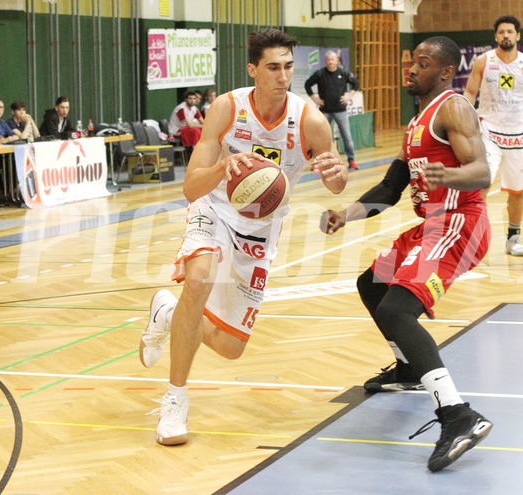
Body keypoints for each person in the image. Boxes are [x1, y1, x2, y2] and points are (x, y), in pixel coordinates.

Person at [139, 28, 347, 447]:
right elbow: (191, 187)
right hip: (213, 208)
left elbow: (336, 184)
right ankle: (175, 402)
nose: (282, 75)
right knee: (196, 282)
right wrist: (225, 166)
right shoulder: (226, 108)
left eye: (288, 67)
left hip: (261, 229)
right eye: (272, 67)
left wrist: (337, 177)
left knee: (231, 347)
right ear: (253, 69)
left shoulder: (310, 120)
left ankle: (165, 315)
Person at [320, 36, 492, 472]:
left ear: (444, 70)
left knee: (398, 309)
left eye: (422, 62)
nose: (411, 68)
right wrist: (347, 213)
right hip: (431, 224)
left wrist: (450, 173)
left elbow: (482, 172)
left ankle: (458, 415)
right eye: (411, 61)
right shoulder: (417, 121)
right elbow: (391, 189)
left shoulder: (453, 107)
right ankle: (408, 369)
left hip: (459, 223)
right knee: (371, 284)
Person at [464, 15, 523, 257]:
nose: (506, 35)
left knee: (517, 190)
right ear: (496, 36)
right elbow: (470, 92)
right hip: (488, 131)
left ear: (518, 36)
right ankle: (470, 238)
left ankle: (513, 238)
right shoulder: (484, 61)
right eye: (501, 32)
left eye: (510, 31)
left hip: (518, 134)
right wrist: (462, 120)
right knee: (481, 184)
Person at [304, 51, 360, 170]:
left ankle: (352, 160)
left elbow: (356, 84)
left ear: (337, 61)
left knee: (347, 137)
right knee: (319, 138)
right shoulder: (320, 73)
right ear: (325, 61)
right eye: (328, 59)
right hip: (325, 111)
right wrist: (315, 99)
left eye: (333, 59)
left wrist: (349, 96)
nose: (330, 61)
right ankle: (318, 163)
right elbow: (307, 85)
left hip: (341, 111)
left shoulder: (344, 73)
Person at [167, 90, 204, 154]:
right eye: (190, 98)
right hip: (176, 131)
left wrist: (207, 126)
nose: (192, 101)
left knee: (203, 130)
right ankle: (194, 152)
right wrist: (204, 126)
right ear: (185, 99)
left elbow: (203, 121)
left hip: (186, 129)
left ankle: (201, 150)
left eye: (194, 99)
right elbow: (190, 125)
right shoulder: (181, 109)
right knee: (195, 131)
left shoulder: (194, 108)